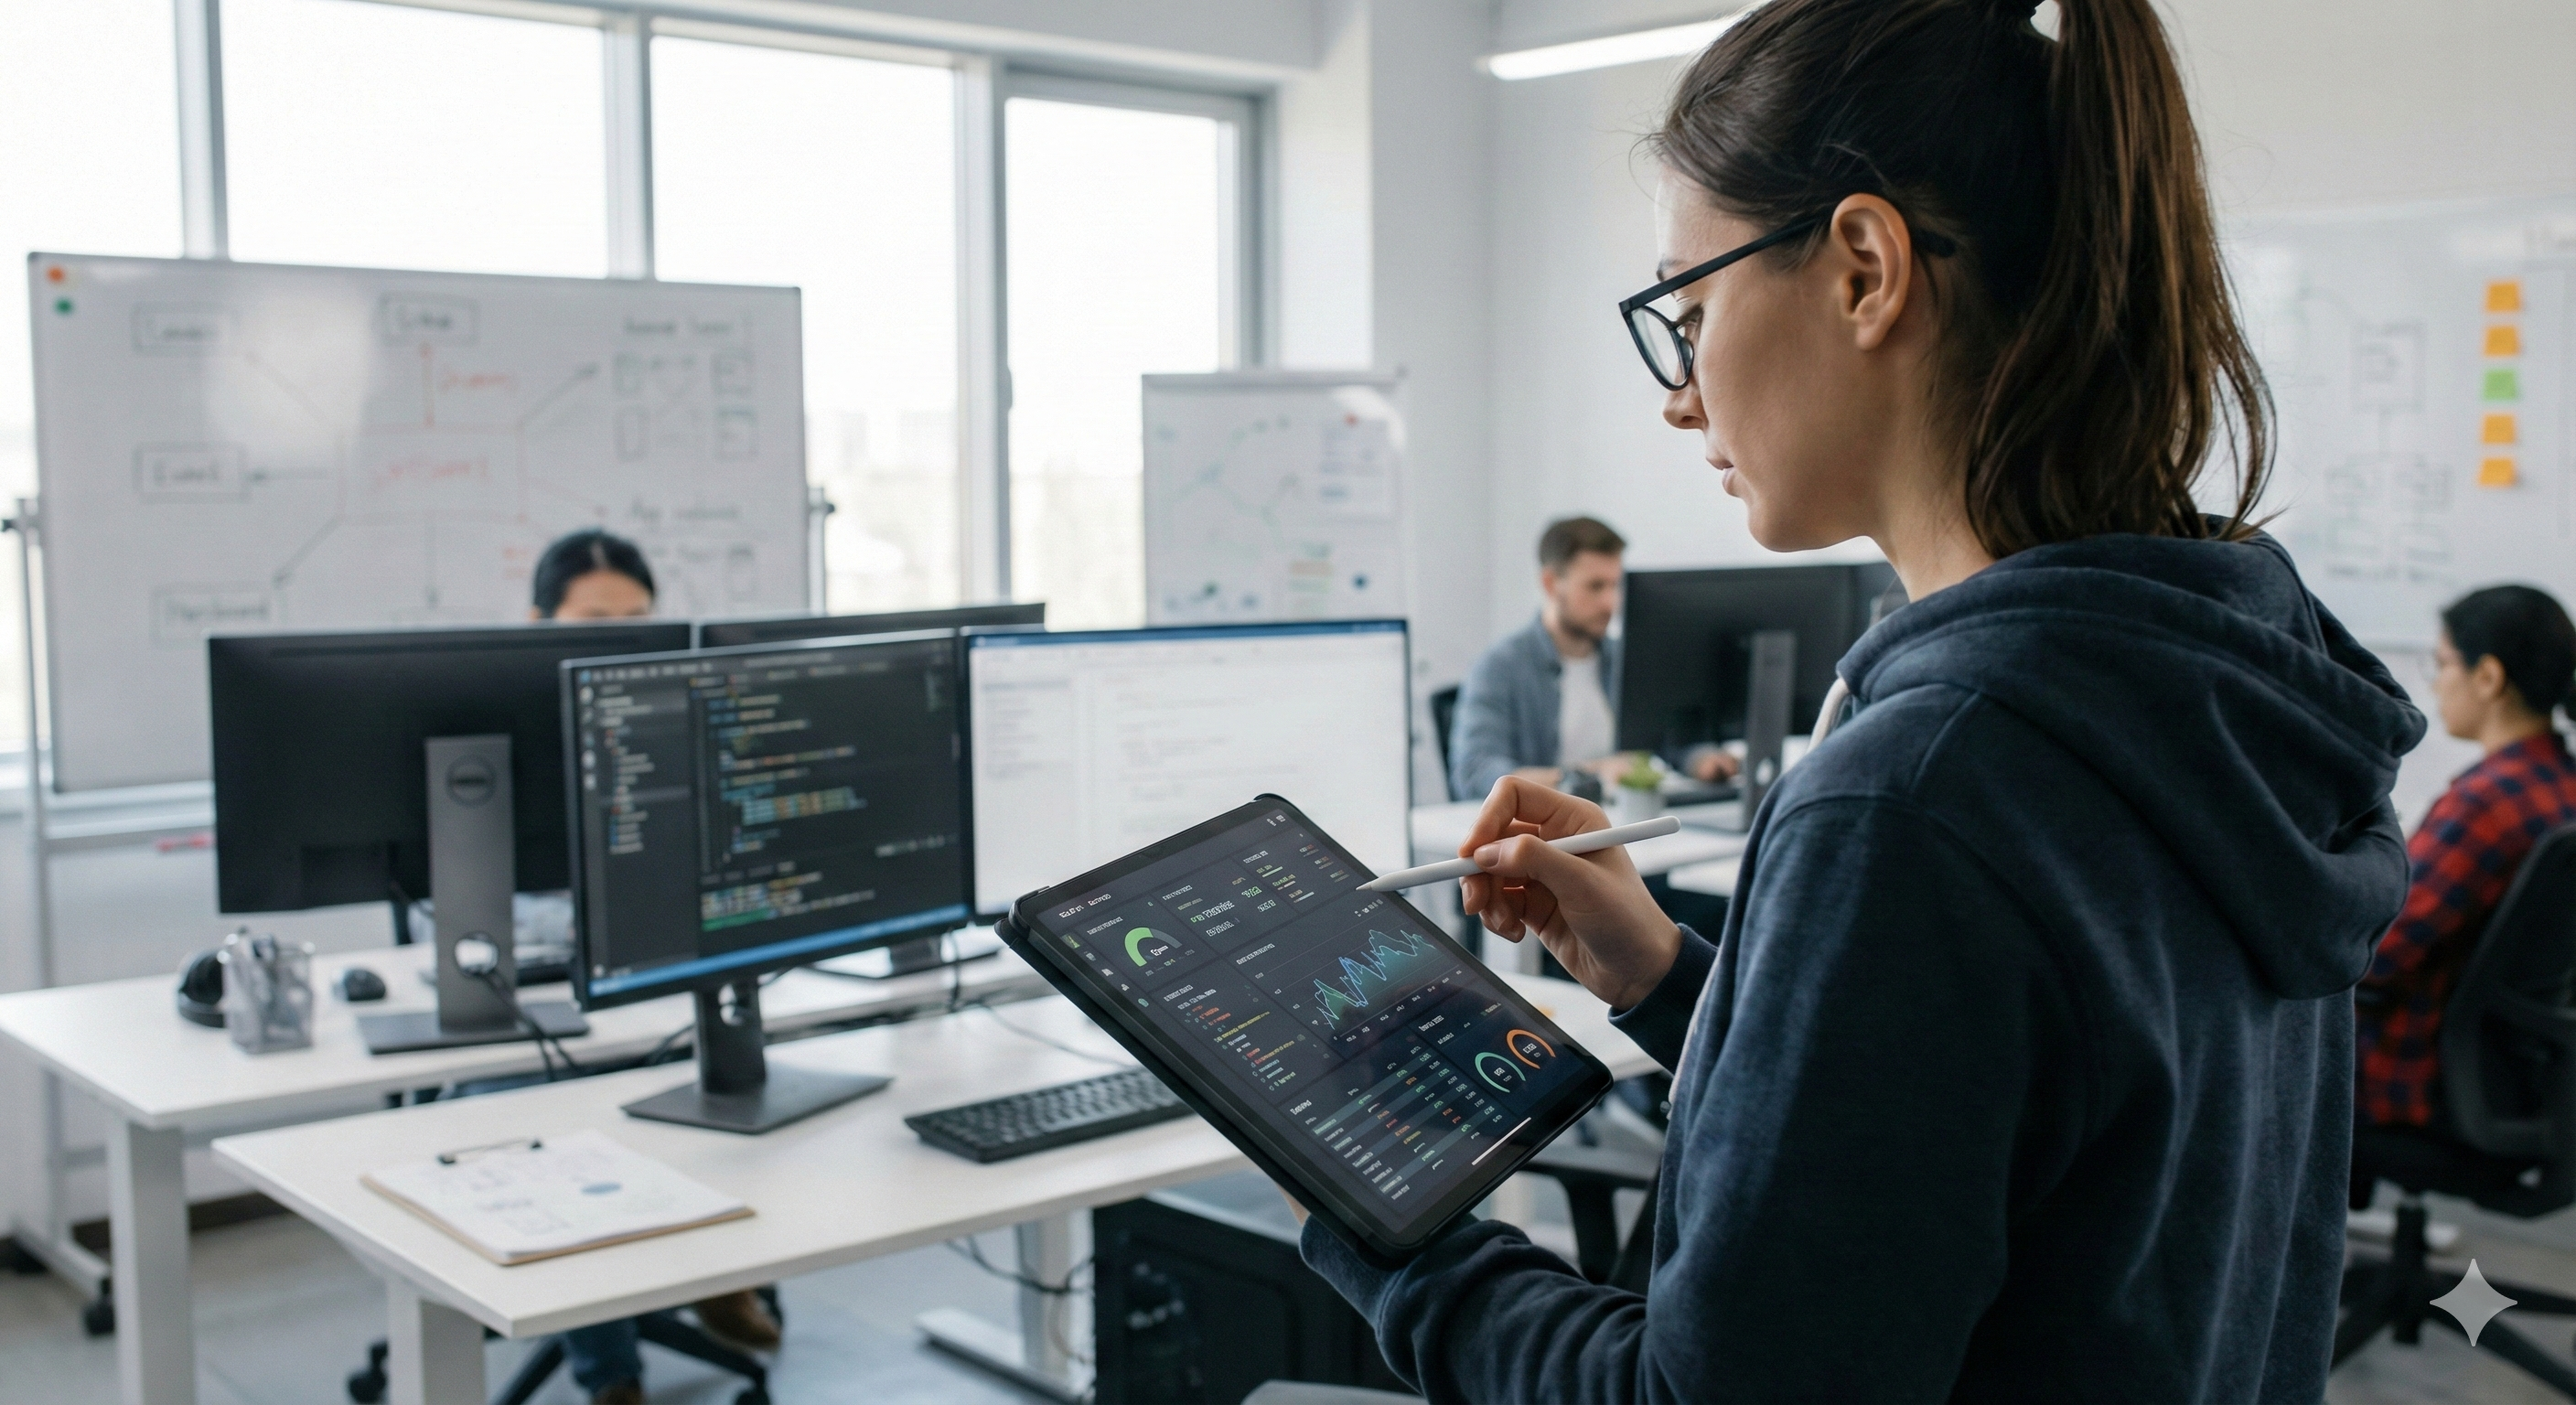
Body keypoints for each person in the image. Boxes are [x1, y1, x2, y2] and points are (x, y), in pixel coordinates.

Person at [1289, 0, 2426, 1399]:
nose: (1679, 397)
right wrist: (1669, 981)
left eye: (1689, 312)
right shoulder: (2221, 677)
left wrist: (1395, 1226)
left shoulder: (1918, 796)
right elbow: (1996, 1145)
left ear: (1865, 270)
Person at [528, 529, 781, 1404]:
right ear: (539, 622)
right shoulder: (494, 721)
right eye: (595, 619)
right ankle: (610, 1372)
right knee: (567, 1122)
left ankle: (715, 1266)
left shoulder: (679, 715)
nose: (619, 638)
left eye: (638, 620)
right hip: (537, 999)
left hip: (663, 974)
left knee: (731, 1072)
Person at [2357, 585, 2576, 1129]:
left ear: (2488, 678)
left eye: (2445, 662)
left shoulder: (2487, 801)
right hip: (2513, 1078)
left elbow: (2374, 954)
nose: (2437, 682)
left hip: (2411, 1079)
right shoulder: (2561, 785)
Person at [1448, 517, 1739, 801]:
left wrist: (1700, 760)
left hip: (1626, 819)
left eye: (1616, 586)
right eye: (1595, 586)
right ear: (1551, 584)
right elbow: (1475, 773)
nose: (1610, 603)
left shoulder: (1623, 659)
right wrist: (1586, 776)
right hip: (1551, 833)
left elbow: (1664, 741)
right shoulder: (1500, 668)